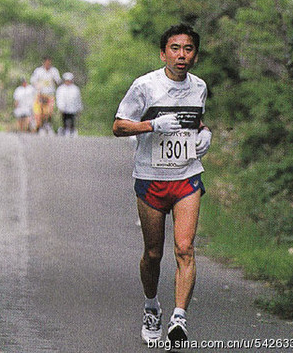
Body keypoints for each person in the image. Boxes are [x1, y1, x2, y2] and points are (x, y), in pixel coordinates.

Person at [112, 24, 212, 347]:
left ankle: (179, 317)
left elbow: (194, 120)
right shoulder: (145, 86)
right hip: (151, 179)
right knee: (153, 254)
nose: (181, 55)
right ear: (163, 53)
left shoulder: (199, 88)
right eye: (175, 48)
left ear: (195, 55)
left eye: (188, 49)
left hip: (186, 177)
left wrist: (204, 133)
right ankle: (152, 305)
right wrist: (151, 124)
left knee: (185, 248)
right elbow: (118, 126)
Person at [30, 56, 61, 134]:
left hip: (49, 94)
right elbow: (33, 81)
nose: (48, 64)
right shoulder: (38, 71)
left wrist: (55, 80)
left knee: (49, 111)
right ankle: (39, 127)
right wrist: (37, 86)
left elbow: (58, 81)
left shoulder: (54, 71)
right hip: (40, 94)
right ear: (43, 63)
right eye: (46, 63)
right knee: (39, 112)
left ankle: (47, 124)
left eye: (49, 63)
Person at [56, 72, 83, 137]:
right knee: (64, 118)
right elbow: (59, 98)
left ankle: (72, 129)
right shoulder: (61, 89)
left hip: (73, 108)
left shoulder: (75, 89)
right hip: (64, 108)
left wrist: (79, 107)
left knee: (72, 119)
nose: (68, 82)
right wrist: (60, 107)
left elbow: (78, 99)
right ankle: (65, 129)